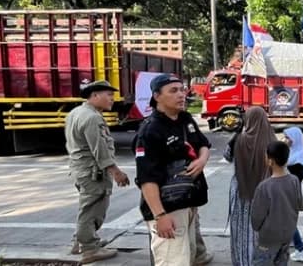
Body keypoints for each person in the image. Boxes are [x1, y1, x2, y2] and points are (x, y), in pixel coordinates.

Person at [135, 74, 212, 266]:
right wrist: (160, 216)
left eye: (182, 89)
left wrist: (202, 160)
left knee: (188, 257)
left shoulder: (185, 119)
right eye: (173, 91)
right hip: (166, 208)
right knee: (173, 261)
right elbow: (147, 179)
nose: (181, 95)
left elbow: (203, 144)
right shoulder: (150, 130)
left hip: (188, 201)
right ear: (157, 96)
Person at [65, 79, 130, 264]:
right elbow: (99, 149)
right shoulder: (92, 117)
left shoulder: (76, 112)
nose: (112, 99)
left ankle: (81, 242)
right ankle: (89, 249)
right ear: (95, 96)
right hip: (93, 172)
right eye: (109, 95)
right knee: (92, 210)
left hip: (80, 170)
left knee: (87, 207)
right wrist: (116, 172)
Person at [224, 106, 277, 266]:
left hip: (242, 193)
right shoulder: (272, 141)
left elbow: (227, 156)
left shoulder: (238, 139)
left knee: (242, 231)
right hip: (266, 195)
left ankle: (242, 261)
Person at [251, 141, 303, 266]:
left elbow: (257, 217)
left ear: (270, 161)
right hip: (287, 234)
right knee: (281, 261)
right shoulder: (294, 180)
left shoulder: (264, 187)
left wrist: (257, 228)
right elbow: (299, 204)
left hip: (268, 237)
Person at [283, 127, 303, 262]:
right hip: (287, 192)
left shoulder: (297, 159)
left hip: (290, 194)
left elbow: (293, 177)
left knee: (288, 222)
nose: (285, 140)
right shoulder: (292, 154)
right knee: (288, 222)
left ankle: (301, 248)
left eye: (288, 138)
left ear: (295, 139)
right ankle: (295, 243)